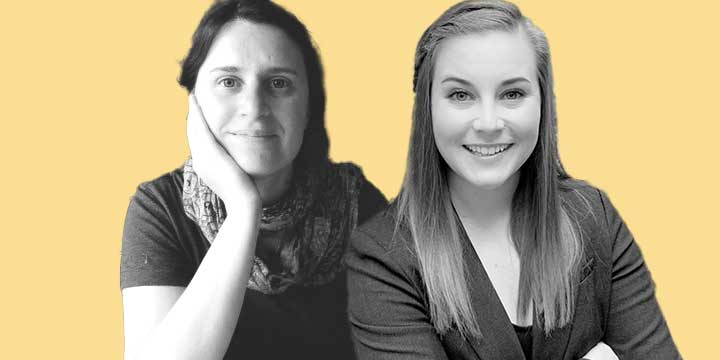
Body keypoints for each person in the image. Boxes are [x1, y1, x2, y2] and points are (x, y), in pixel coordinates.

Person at [346, 1, 681, 359]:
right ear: (427, 108)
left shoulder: (594, 216)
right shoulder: (381, 258)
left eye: (512, 94)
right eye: (461, 95)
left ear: (542, 103)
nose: (488, 123)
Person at [120, 1, 386, 359]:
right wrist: (244, 208)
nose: (254, 106)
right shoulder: (160, 209)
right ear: (194, 103)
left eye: (279, 83)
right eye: (229, 82)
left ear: (308, 106)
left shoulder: (359, 206)